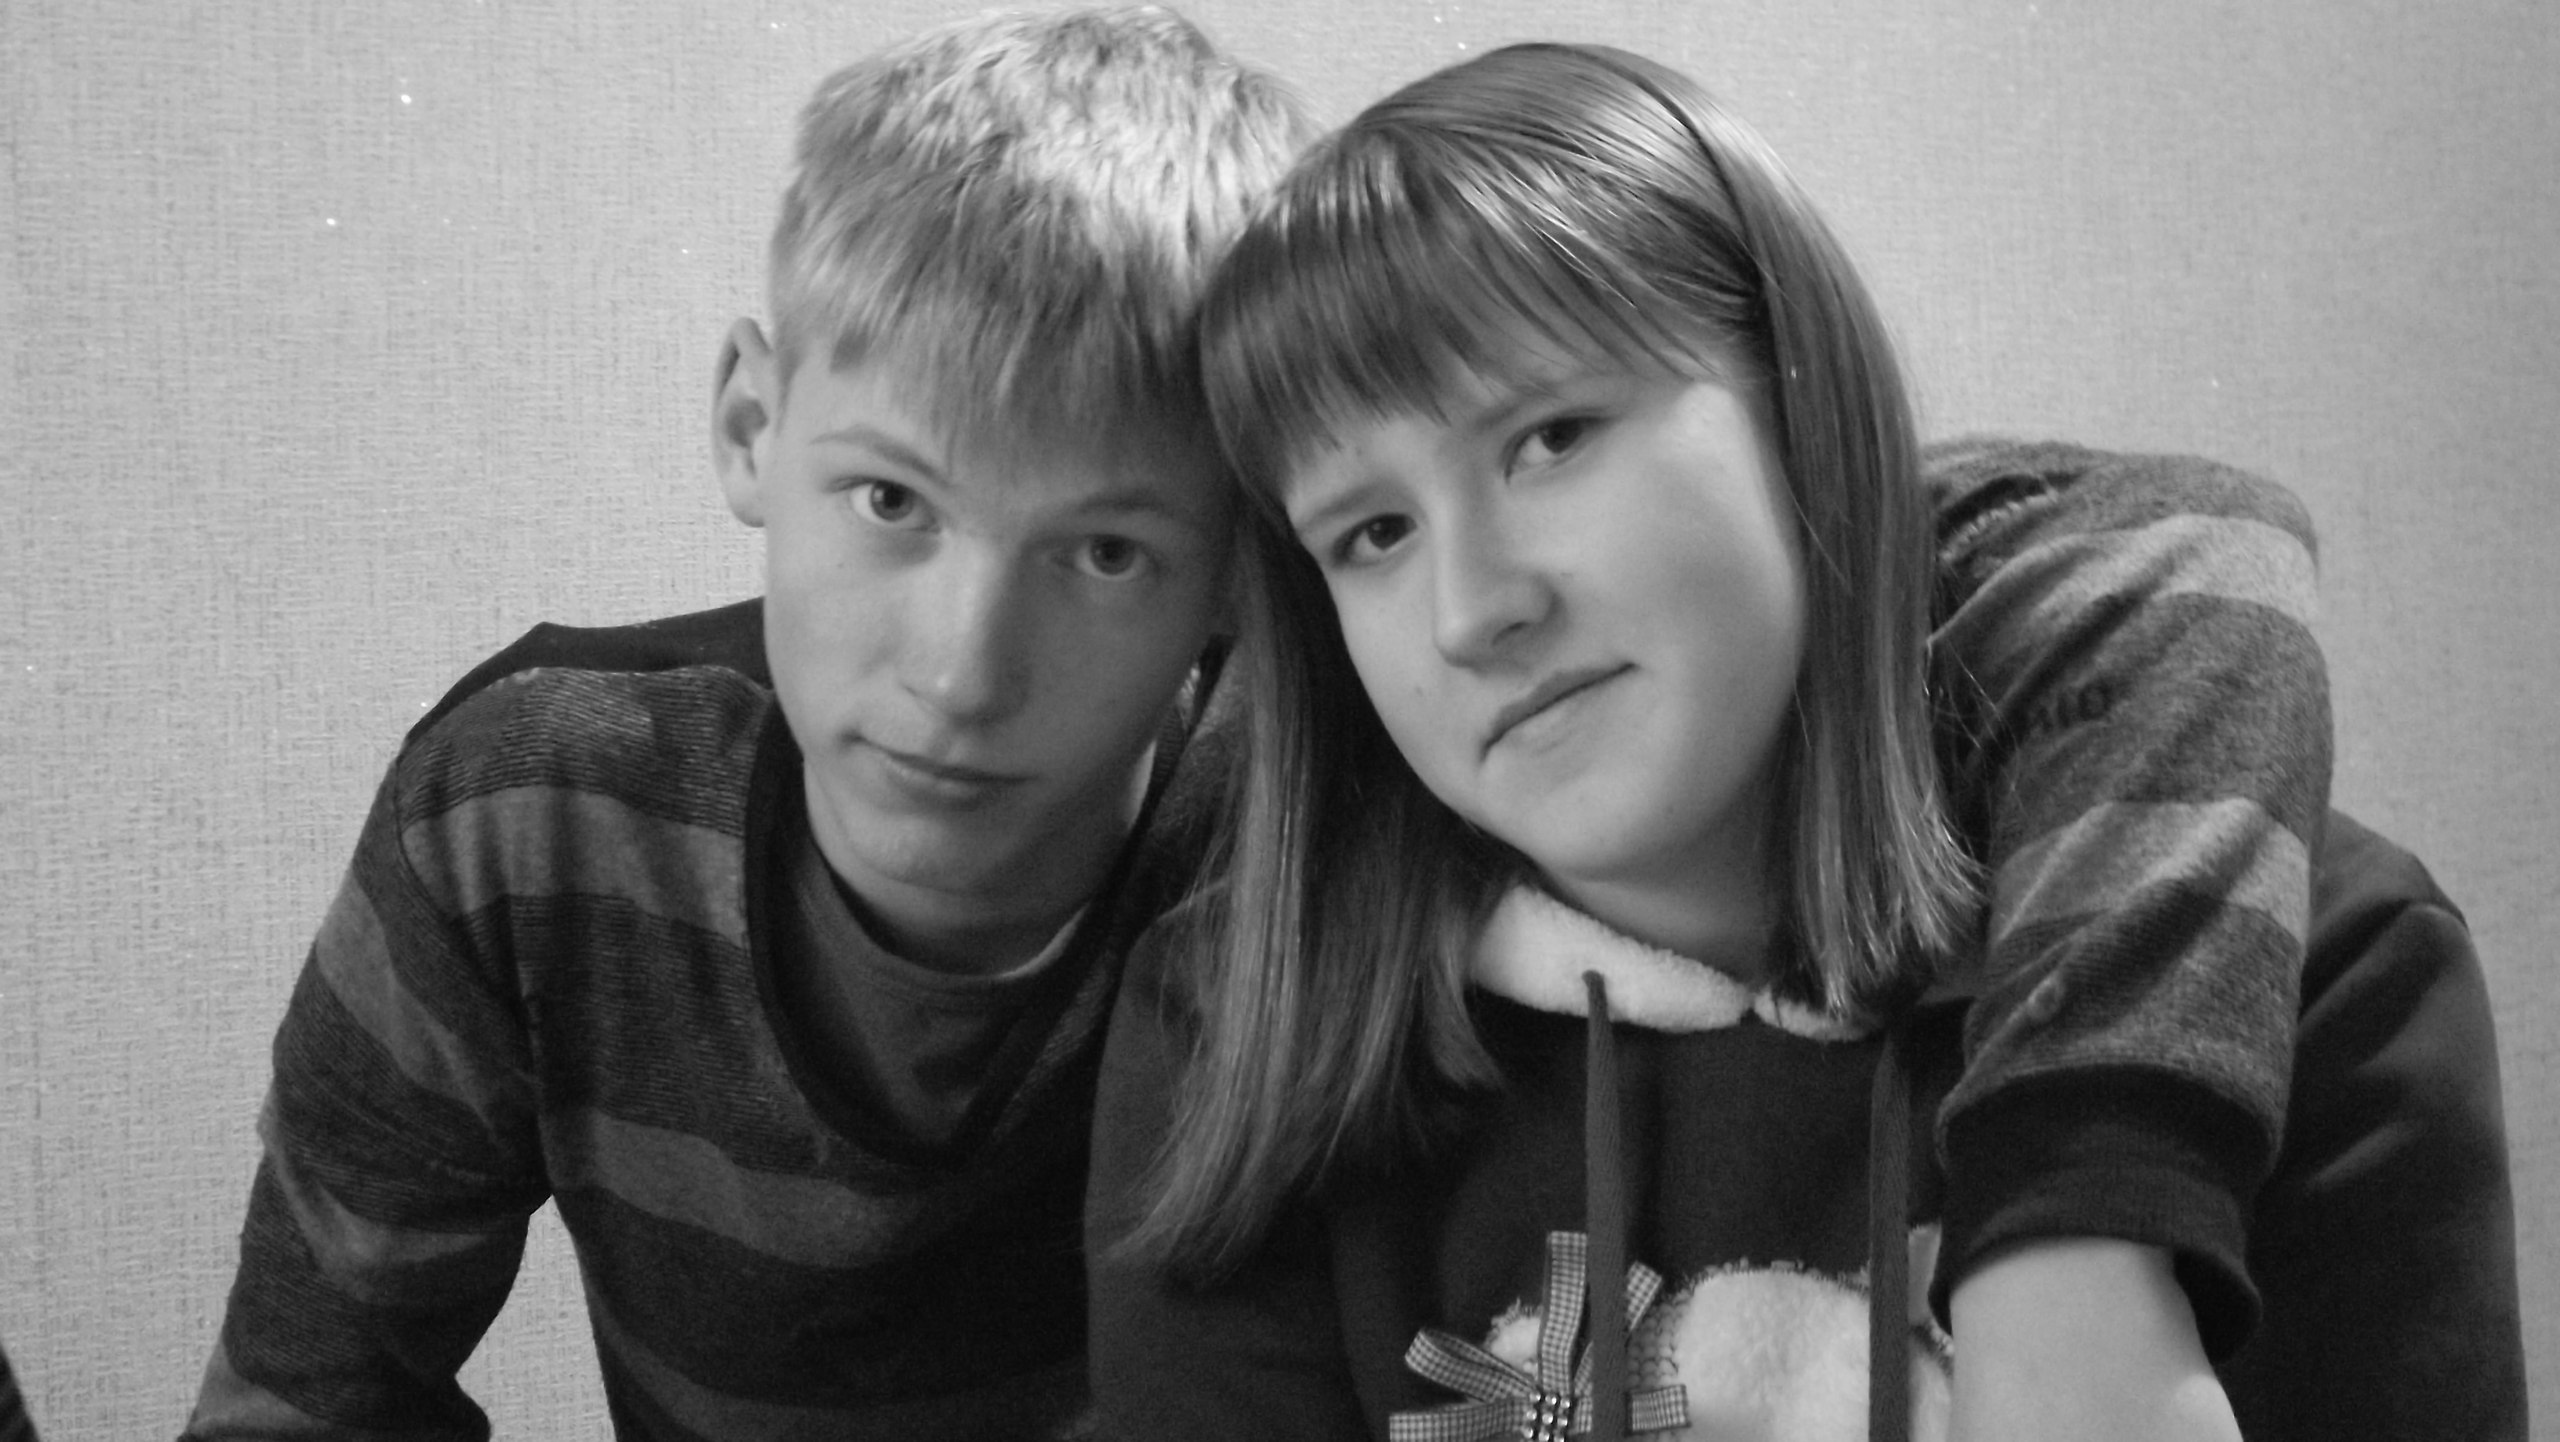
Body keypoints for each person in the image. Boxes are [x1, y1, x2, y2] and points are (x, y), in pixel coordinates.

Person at [1086, 41, 2521, 1442]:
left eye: (1553, 437)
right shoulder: (1241, 1039)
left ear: (1800, 405)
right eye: (1373, 533)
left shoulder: (2315, 955)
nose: (1472, 611)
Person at [181, 8, 1309, 1438]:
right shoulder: (528, 818)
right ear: (749, 427)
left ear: (1243, 562)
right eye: (892, 500)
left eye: (1104, 554)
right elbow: (306, 1401)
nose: (962, 675)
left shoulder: (1320, 849)